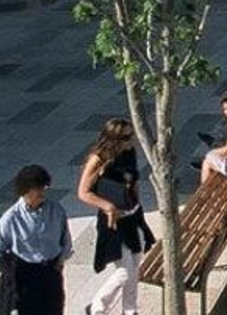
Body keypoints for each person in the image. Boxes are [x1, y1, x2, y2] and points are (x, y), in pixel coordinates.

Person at [78, 118, 156, 315]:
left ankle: (129, 310)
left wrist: (136, 202)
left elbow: (134, 179)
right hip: (113, 221)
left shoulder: (129, 152)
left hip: (132, 215)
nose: (132, 140)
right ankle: (97, 305)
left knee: (136, 263)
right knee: (124, 271)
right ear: (113, 139)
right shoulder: (99, 158)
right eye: (127, 137)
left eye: (132, 135)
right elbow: (83, 192)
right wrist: (108, 206)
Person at [0, 165, 72, 315]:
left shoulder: (56, 210)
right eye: (39, 188)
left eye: (44, 187)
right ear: (26, 191)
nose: (43, 191)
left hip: (50, 271)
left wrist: (60, 261)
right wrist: (10, 273)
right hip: (25, 275)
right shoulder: (11, 218)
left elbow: (65, 238)